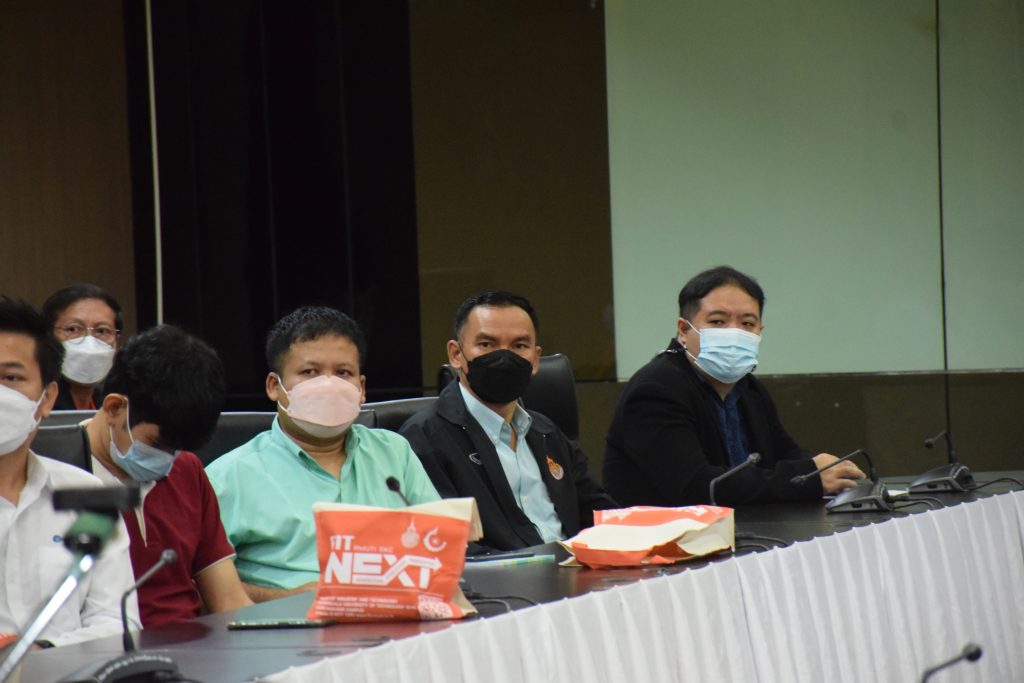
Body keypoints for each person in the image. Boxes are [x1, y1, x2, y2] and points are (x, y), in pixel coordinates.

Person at [206, 306, 440, 602]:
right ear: (274, 387)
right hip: (287, 625)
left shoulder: (394, 452)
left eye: (343, 373)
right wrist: (288, 597)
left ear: (361, 388)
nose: (328, 384)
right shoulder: (228, 477)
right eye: (310, 372)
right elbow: (197, 588)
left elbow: (438, 547)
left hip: (400, 617)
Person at [603, 266, 866, 507]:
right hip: (664, 540)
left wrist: (828, 471)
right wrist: (805, 478)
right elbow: (698, 486)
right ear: (683, 330)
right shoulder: (656, 389)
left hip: (742, 531)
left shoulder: (748, 388)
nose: (734, 333)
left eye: (747, 324)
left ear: (760, 331)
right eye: (718, 321)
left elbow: (784, 453)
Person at [400, 291, 617, 553]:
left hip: (576, 569)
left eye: (519, 346)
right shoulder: (424, 438)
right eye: (486, 344)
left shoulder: (546, 431)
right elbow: (445, 546)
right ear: (456, 354)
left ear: (535, 359)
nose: (504, 357)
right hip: (500, 577)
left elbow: (599, 513)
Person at [82, 325, 252, 627]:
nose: (168, 460)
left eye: (178, 448)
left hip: (195, 647)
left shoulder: (187, 470)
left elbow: (229, 601)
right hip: (104, 645)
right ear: (114, 408)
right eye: (158, 444)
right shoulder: (59, 476)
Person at [0, 296, 137, 646]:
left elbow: (119, 623)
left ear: (46, 398)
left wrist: (43, 651)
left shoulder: (88, 496)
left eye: (11, 377)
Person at [41, 284, 122, 411]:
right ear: (48, 336)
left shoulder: (112, 405)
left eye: (102, 331)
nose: (90, 343)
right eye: (73, 329)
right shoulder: (36, 404)